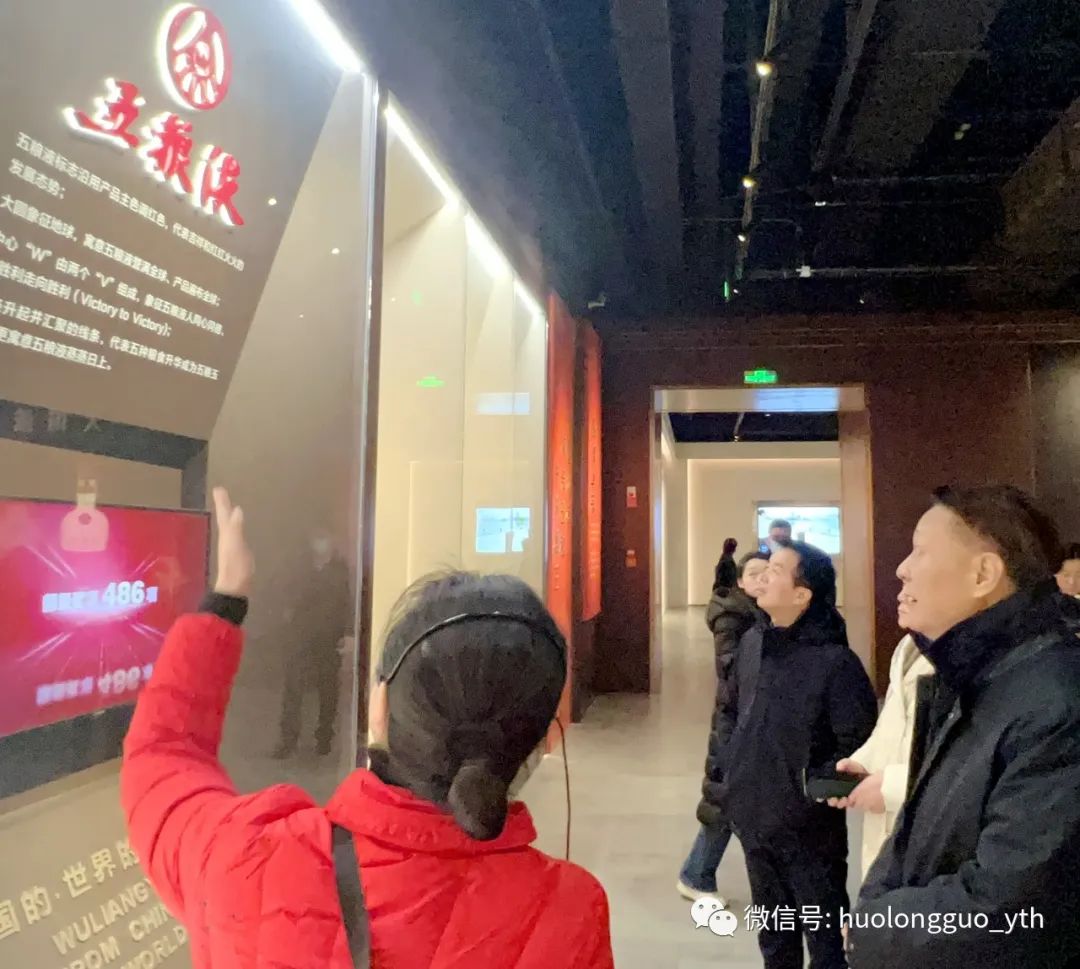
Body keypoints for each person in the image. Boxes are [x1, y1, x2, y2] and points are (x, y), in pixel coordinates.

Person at [121, 489, 614, 969]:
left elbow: (161, 756)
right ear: (538, 737)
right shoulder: (569, 914)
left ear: (379, 705)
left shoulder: (249, 863)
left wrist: (226, 599)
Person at [848, 486, 1080, 969]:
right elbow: (911, 834)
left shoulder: (1057, 703)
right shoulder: (969, 676)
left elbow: (1009, 908)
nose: (902, 569)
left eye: (920, 551)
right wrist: (877, 912)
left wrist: (877, 929)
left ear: (983, 575)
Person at [717, 541, 876, 969]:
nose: (762, 575)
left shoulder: (836, 663)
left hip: (809, 835)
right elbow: (730, 712)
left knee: (826, 944)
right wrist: (731, 778)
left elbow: (860, 746)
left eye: (776, 570)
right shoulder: (753, 642)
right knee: (774, 938)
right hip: (753, 819)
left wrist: (810, 795)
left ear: (803, 594)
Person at [677, 550, 770, 902]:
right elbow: (730, 668)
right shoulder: (732, 616)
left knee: (738, 799)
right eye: (754, 573)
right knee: (725, 798)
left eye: (768, 572)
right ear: (740, 581)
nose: (762, 579)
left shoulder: (761, 613)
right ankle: (696, 874)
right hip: (734, 721)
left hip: (751, 719)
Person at [827, 633, 935, 879]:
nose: (903, 596)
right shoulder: (909, 646)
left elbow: (969, 761)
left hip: (929, 836)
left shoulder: (985, 656)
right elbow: (888, 729)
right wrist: (862, 763)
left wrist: (892, 787)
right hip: (884, 838)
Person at [274, 528, 352, 758]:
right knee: (293, 688)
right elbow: (287, 595)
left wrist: (348, 633)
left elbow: (349, 604)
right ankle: (287, 741)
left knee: (328, 690)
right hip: (301, 636)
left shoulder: (342, 571)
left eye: (325, 538)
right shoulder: (300, 568)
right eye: (317, 537)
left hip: (330, 637)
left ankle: (324, 739)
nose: (320, 543)